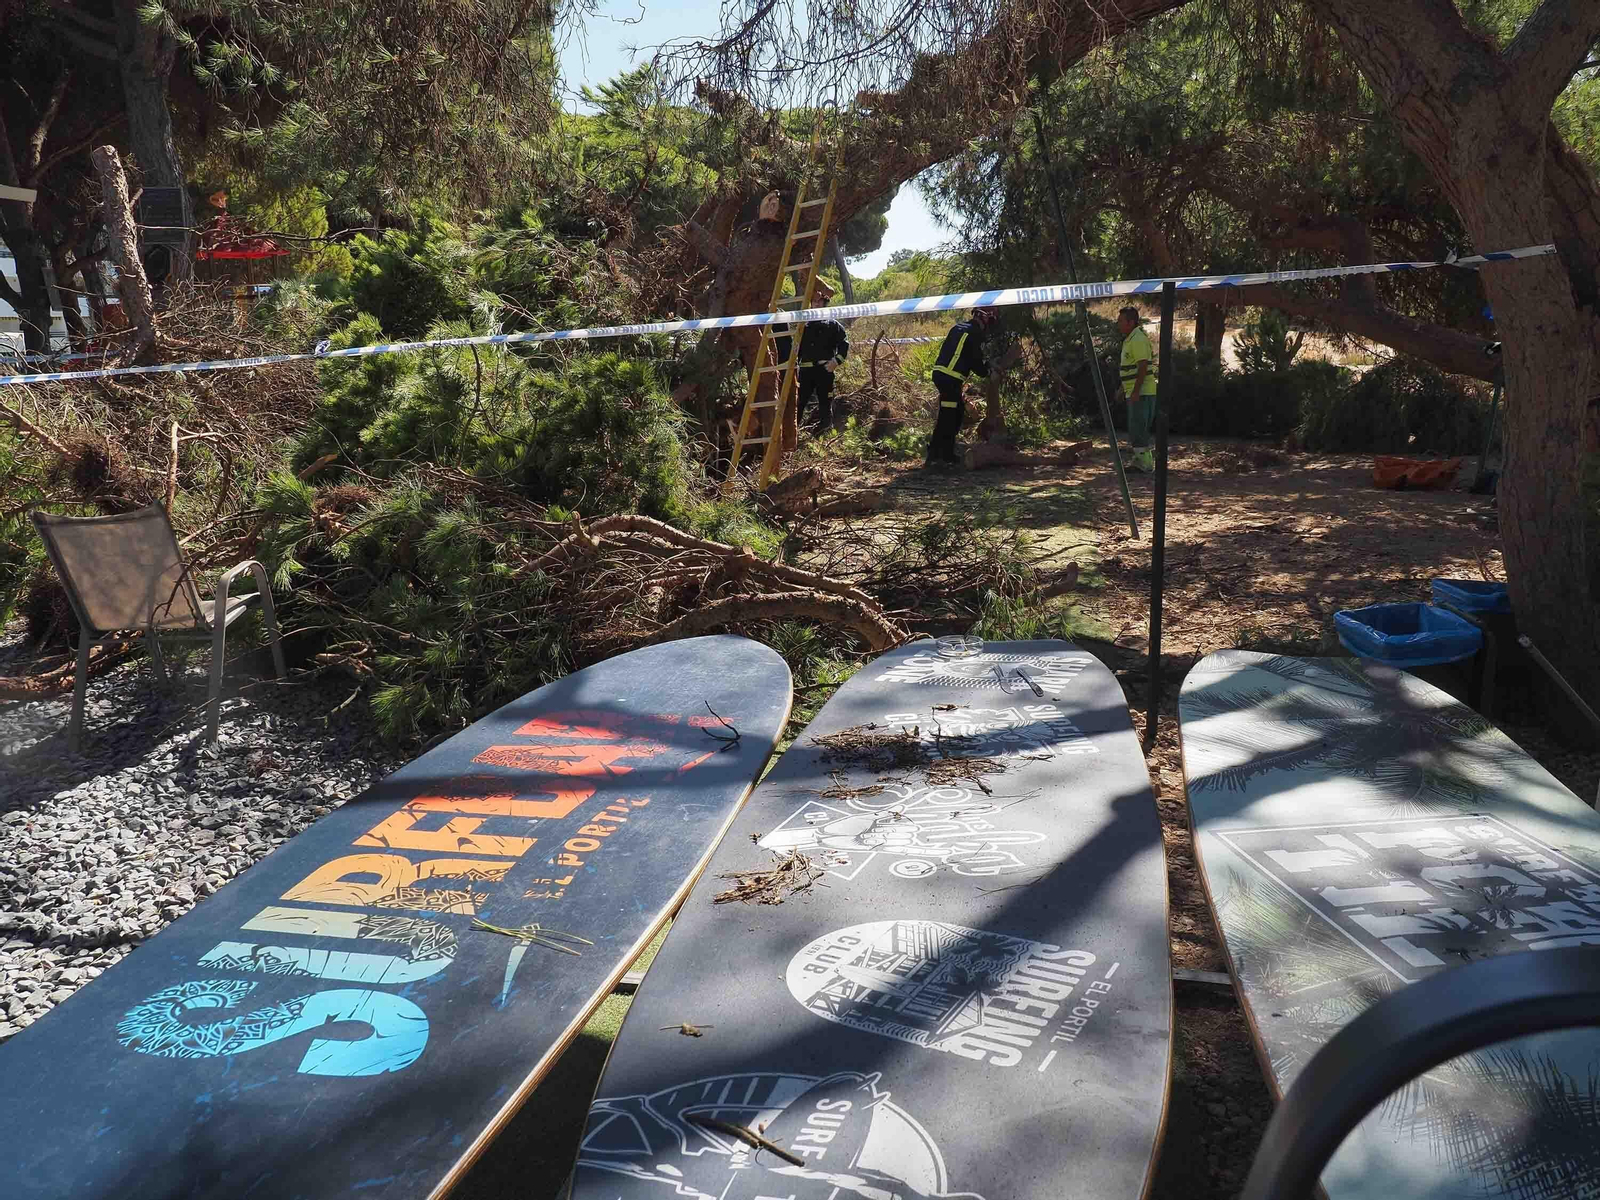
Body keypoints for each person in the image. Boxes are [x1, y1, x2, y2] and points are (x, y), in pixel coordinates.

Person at [926, 306, 998, 467]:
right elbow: (975, 360)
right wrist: (987, 372)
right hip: (950, 378)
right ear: (984, 319)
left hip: (942, 374)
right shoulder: (975, 333)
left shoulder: (959, 327)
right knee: (949, 416)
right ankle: (940, 456)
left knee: (955, 413)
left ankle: (940, 453)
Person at [773, 317, 850, 433]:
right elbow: (796, 347)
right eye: (814, 301)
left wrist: (836, 361)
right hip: (805, 371)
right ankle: (791, 434)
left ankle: (825, 433)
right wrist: (793, 362)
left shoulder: (833, 324)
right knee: (799, 403)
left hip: (824, 370)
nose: (816, 303)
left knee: (825, 402)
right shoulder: (804, 324)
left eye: (820, 301)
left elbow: (844, 344)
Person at [1117, 306, 1158, 472]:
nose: (1118, 324)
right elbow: (1130, 368)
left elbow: (1142, 366)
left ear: (1131, 322)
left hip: (1142, 392)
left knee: (1139, 428)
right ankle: (1139, 460)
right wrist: (1122, 389)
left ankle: (1145, 464)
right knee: (1136, 427)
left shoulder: (1138, 339)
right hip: (1134, 391)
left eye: (1121, 321)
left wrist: (1135, 391)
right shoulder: (1130, 339)